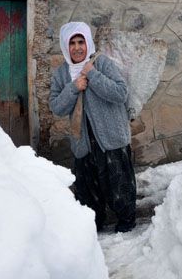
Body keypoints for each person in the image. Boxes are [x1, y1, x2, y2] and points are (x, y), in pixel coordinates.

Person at [49, 22, 136, 232]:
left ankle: (126, 223)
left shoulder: (102, 64)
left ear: (88, 43)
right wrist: (73, 87)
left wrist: (93, 75)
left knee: (119, 186)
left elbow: (120, 93)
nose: (77, 48)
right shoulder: (62, 74)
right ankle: (93, 226)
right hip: (83, 143)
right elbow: (57, 108)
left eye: (81, 42)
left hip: (111, 138)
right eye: (72, 43)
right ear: (65, 46)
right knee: (89, 190)